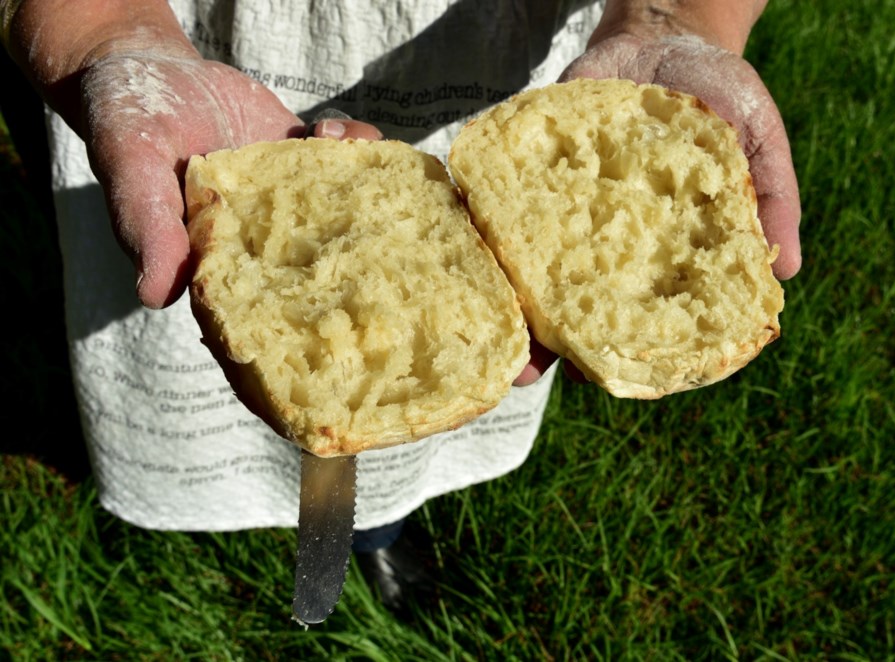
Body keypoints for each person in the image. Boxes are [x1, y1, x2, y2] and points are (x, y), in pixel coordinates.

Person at [1, 0, 801, 611]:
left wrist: (675, 16)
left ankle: (372, 534)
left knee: (388, 426)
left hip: (501, 65)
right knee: (287, 388)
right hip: (190, 68)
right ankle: (307, 550)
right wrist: (110, 34)